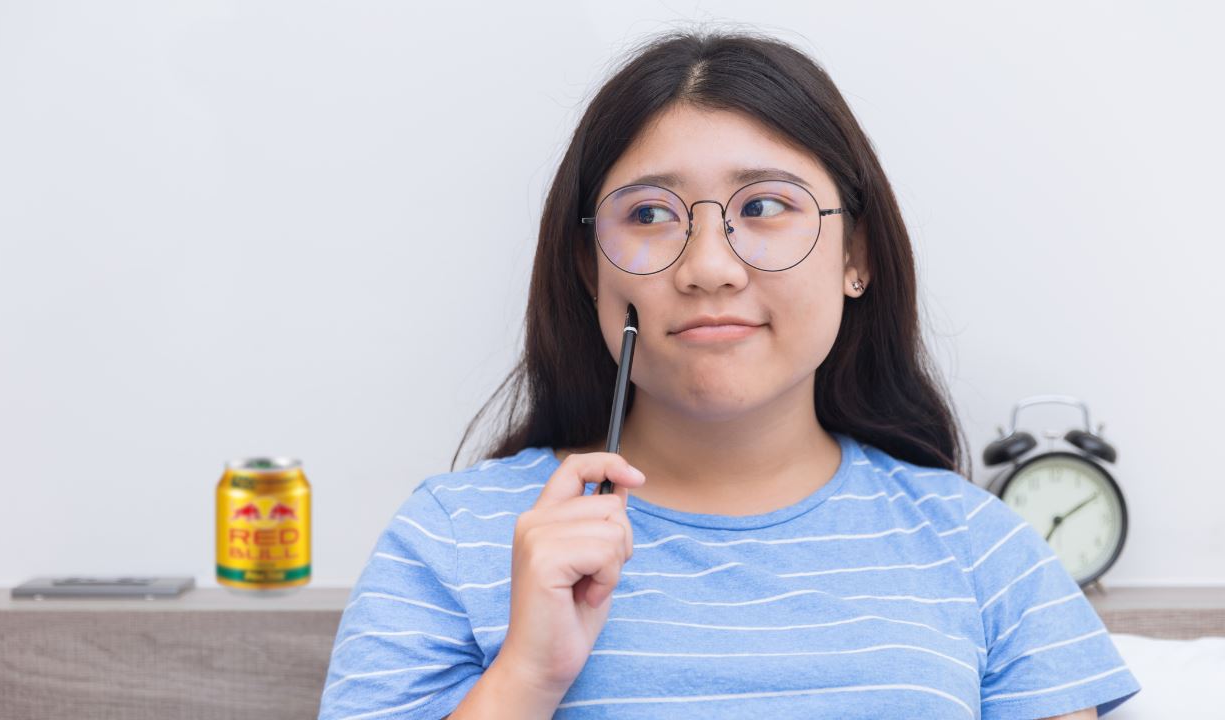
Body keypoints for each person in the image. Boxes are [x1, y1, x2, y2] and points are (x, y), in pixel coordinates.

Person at [317, 28, 1141, 720]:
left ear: (855, 254)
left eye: (764, 207)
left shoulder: (983, 551)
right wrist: (526, 679)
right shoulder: (450, 540)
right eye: (648, 215)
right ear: (588, 265)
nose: (708, 266)